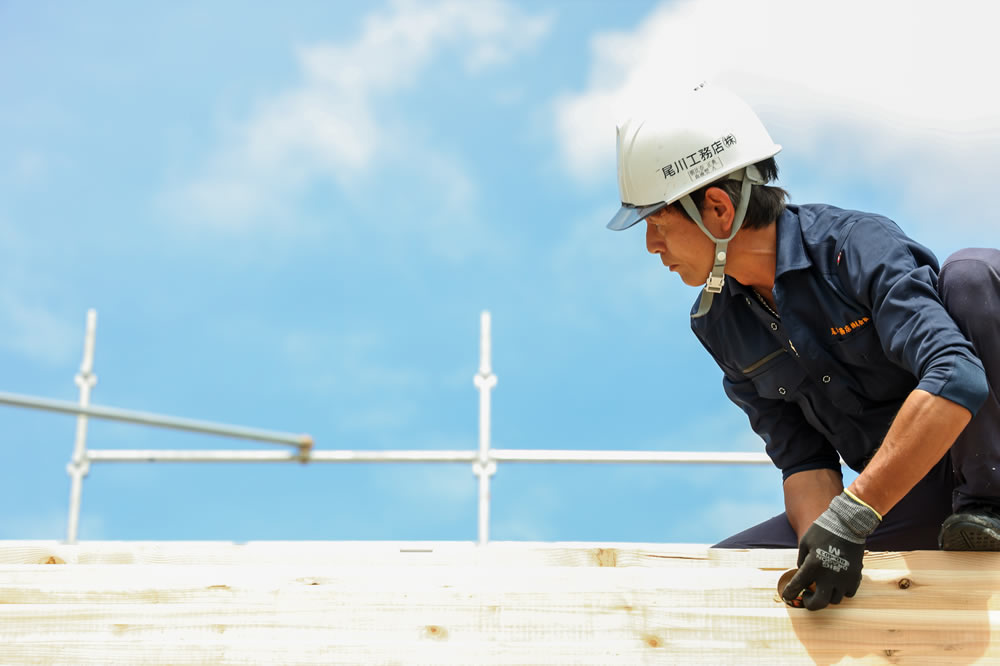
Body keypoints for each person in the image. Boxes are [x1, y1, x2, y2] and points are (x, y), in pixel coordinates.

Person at [605, 83, 999, 611]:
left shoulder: (853, 249)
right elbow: (804, 462)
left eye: (657, 223)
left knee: (972, 275)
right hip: (909, 493)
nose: (652, 246)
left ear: (717, 209)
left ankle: (991, 502)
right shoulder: (722, 325)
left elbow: (957, 377)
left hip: (971, 469)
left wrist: (851, 517)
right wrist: (827, 552)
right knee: (707, 591)